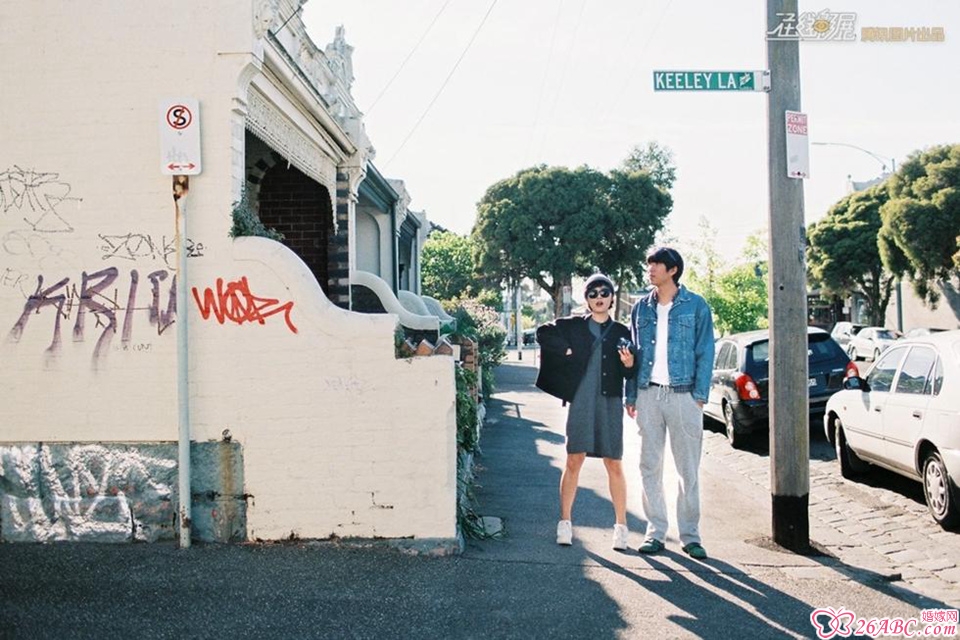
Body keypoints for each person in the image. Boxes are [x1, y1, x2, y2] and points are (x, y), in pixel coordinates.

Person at [625, 247, 715, 560]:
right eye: (649, 264)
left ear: (673, 270)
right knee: (649, 466)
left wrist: (699, 397)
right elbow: (633, 354)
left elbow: (706, 351)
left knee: (687, 470)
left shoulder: (696, 305)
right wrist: (631, 394)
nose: (650, 269)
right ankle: (655, 532)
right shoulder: (640, 308)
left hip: (684, 394)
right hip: (648, 393)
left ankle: (690, 536)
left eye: (656, 264)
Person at [535, 274, 636, 549]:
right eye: (593, 293)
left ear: (612, 298)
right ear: (587, 299)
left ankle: (621, 527)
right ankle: (565, 523)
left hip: (610, 402)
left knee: (613, 462)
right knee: (573, 459)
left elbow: (631, 372)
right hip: (581, 401)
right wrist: (566, 349)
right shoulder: (574, 326)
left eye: (604, 292)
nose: (599, 297)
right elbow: (543, 332)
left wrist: (628, 363)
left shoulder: (622, 332)